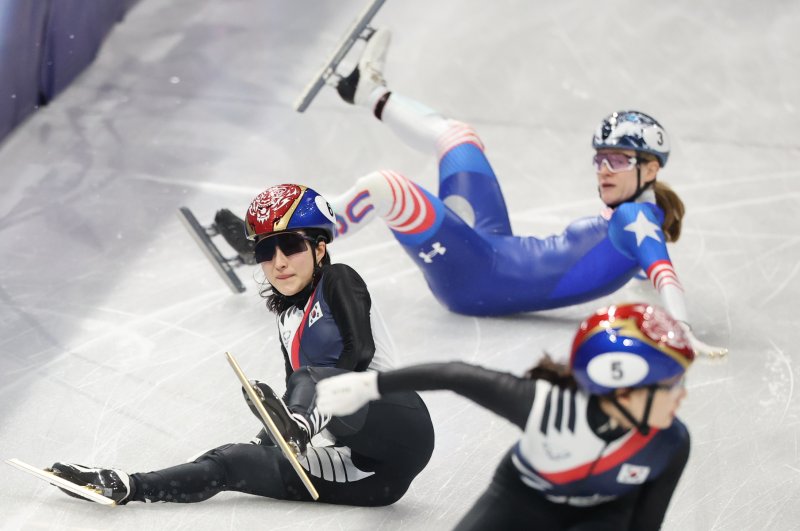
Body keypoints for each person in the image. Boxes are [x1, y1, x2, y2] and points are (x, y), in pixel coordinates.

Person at [318, 28, 726, 358]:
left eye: (617, 161)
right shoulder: (641, 211)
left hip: (476, 279)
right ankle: (366, 90)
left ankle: (294, 234)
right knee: (458, 138)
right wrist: (638, 274)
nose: (603, 171)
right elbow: (643, 259)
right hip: (492, 246)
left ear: (651, 169)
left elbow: (663, 271)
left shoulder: (636, 220)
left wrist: (681, 329)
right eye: (600, 159)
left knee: (385, 188)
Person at [49, 184, 435, 507]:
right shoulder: (286, 323)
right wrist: (267, 443)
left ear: (319, 249)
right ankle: (127, 485)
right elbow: (296, 394)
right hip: (370, 477)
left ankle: (292, 432)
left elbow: (359, 353)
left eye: (291, 246)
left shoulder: (338, 279)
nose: (279, 262)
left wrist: (295, 428)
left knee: (310, 379)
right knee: (232, 461)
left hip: (402, 422)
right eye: (267, 252)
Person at [315, 302, 694, 530]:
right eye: (671, 385)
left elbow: (647, 524)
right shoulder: (546, 406)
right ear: (621, 389)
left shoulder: (672, 442)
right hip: (522, 498)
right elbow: (455, 374)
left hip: (603, 516)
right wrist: (370, 387)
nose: (682, 396)